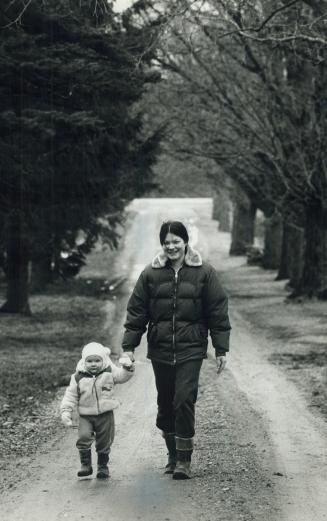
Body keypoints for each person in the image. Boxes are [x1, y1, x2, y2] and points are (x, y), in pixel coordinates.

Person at [122, 220, 231, 480]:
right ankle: (172, 454)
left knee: (184, 400)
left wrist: (221, 348)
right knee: (165, 404)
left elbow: (217, 311)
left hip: (192, 348)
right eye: (166, 242)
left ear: (185, 241)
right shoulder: (150, 274)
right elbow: (137, 312)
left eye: (176, 241)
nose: (171, 246)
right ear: (162, 245)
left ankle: (184, 460)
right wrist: (128, 347)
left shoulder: (204, 272)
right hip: (160, 348)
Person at [60, 341, 134, 479]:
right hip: (85, 415)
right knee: (83, 437)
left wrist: (128, 367)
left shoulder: (109, 372)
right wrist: (66, 411)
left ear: (103, 360)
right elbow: (70, 395)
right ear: (84, 361)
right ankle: (85, 465)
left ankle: (102, 467)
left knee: (104, 441)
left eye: (97, 361)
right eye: (89, 361)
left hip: (105, 414)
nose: (93, 364)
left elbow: (123, 377)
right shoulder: (78, 377)